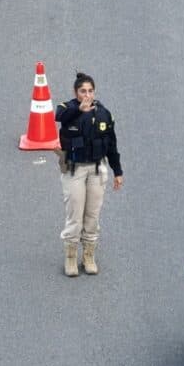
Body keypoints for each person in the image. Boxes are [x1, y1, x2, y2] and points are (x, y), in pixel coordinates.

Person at [55, 72, 123, 276]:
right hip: (75, 170)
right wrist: (78, 111)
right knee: (75, 215)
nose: (87, 95)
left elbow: (111, 144)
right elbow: (59, 118)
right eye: (82, 91)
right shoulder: (68, 109)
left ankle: (89, 255)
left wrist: (117, 171)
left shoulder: (103, 114)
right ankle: (70, 257)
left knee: (92, 215)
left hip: (96, 169)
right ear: (75, 93)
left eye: (90, 91)